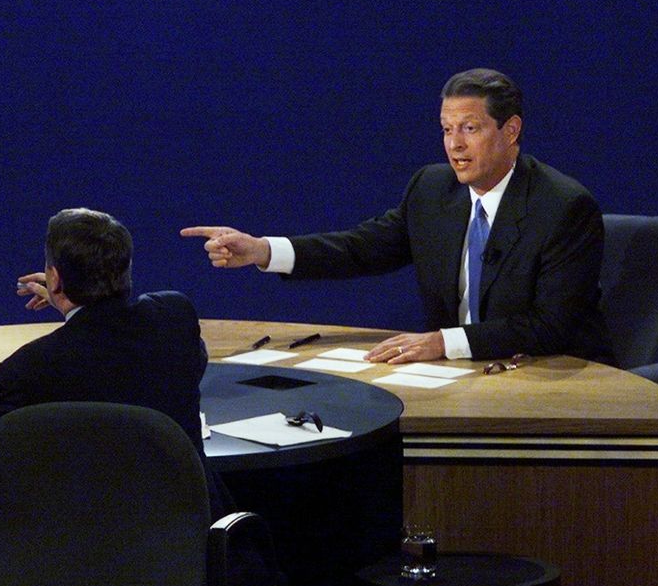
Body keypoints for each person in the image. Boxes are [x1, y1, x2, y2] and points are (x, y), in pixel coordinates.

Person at [182, 68, 611, 364]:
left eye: (470, 128)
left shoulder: (563, 208)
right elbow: (360, 249)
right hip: (461, 377)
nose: (454, 145)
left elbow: (550, 328)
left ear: (511, 131)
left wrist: (444, 342)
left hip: (551, 380)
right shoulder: (432, 189)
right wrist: (262, 250)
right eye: (446, 130)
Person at [0, 207, 236, 520]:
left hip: (70, 554)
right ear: (128, 268)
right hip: (185, 549)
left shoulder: (26, 368)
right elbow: (181, 359)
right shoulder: (174, 317)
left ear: (53, 279)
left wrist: (69, 300)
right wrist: (76, 301)